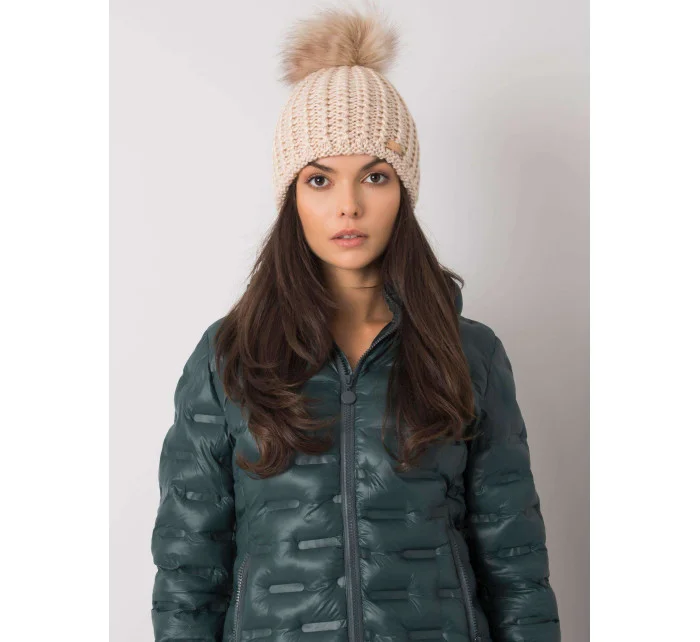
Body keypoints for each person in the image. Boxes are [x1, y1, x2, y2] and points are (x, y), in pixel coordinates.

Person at [150, 7, 561, 642]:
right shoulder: (228, 356)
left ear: (404, 191)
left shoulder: (469, 353)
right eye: (320, 179)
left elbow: (516, 564)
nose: (349, 205)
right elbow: (189, 571)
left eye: (375, 176)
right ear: (293, 197)